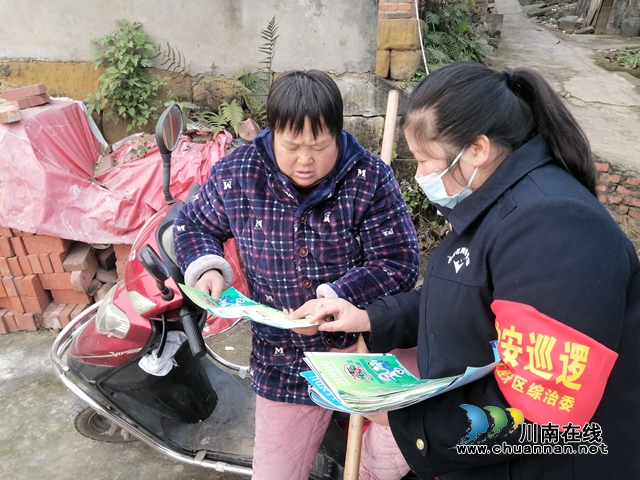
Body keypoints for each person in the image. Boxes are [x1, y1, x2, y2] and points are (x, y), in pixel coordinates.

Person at [293, 62, 640, 479]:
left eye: (425, 160)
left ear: (477, 149)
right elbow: (466, 297)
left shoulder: (554, 224)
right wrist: (371, 317)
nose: (420, 175)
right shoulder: (497, 206)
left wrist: (409, 422)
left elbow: (543, 409)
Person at [173, 70, 420, 479]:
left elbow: (398, 262)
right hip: (282, 359)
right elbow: (194, 226)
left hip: (360, 350)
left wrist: (335, 297)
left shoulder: (369, 178)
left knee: (396, 452)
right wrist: (206, 267)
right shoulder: (239, 173)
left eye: (319, 147)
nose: (305, 160)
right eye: (292, 146)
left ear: (338, 135)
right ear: (272, 134)